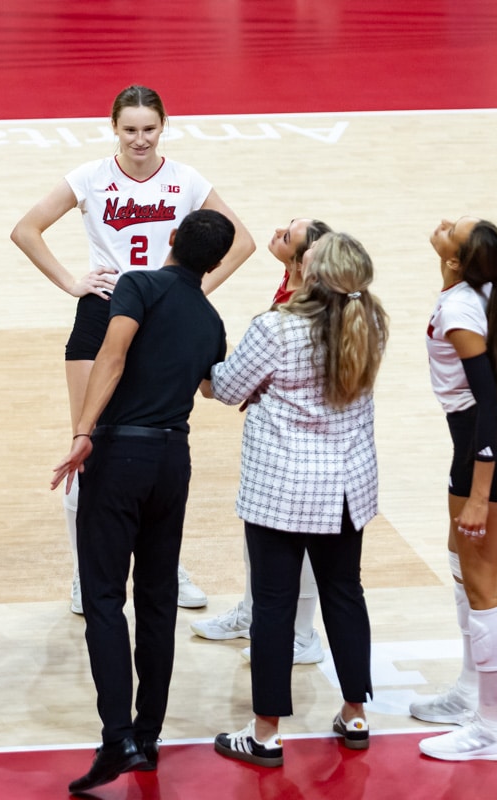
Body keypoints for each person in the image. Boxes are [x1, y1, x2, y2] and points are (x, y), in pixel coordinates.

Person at [13, 84, 254, 616]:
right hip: (104, 313)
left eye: (149, 129)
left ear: (162, 126)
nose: (140, 139)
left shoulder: (186, 179)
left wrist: (192, 294)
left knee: (159, 442)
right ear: (114, 128)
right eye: (130, 130)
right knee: (88, 440)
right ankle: (85, 572)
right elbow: (25, 229)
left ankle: (164, 566)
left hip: (162, 317)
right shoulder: (90, 177)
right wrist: (71, 282)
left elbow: (244, 240)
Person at [51, 210, 236, 794]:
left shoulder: (138, 284)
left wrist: (83, 430)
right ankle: (149, 738)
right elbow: (213, 387)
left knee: (104, 597)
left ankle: (118, 738)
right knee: (158, 600)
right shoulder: (211, 318)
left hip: (120, 454)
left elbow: (111, 356)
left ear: (173, 239)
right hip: (172, 461)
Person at [210, 232, 387, 767]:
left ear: (312, 274)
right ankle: (355, 714)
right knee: (344, 596)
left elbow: (224, 386)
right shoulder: (371, 321)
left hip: (283, 490)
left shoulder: (276, 328)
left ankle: (265, 734)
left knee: (274, 607)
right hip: (346, 490)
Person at [411, 217, 497, 762]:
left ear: (458, 261)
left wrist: (481, 493)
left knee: (485, 582)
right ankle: (469, 690)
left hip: (488, 442)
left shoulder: (462, 311)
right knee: (461, 562)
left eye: (451, 231)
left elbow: (486, 404)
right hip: (486, 438)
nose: (441, 225)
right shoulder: (479, 290)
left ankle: (490, 728)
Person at [191, 218, 332, 666]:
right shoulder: (289, 282)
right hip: (279, 440)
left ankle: (302, 633)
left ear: (302, 259)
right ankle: (254, 614)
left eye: (287, 236)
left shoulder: (306, 303)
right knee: (264, 534)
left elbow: (233, 385)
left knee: (301, 538)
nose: (277, 232)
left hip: (304, 444)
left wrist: (196, 364)